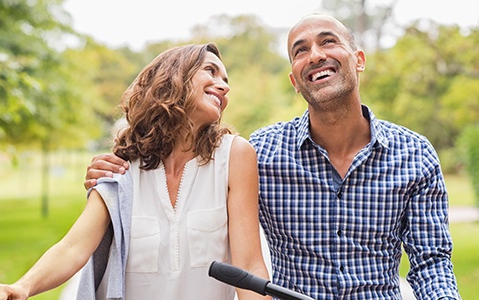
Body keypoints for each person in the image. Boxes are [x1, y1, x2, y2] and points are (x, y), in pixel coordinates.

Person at [83, 14, 461, 300]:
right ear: (295, 81)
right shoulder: (259, 153)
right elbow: (182, 154)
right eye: (300, 50)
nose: (315, 55)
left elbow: (431, 262)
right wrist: (116, 168)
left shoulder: (414, 154)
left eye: (328, 42)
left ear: (358, 60)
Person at [0, 43, 271, 300]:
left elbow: (248, 267)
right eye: (210, 71)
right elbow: (73, 247)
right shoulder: (122, 166)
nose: (224, 85)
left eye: (225, 79)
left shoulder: (234, 155)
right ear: (173, 78)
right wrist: (22, 286)